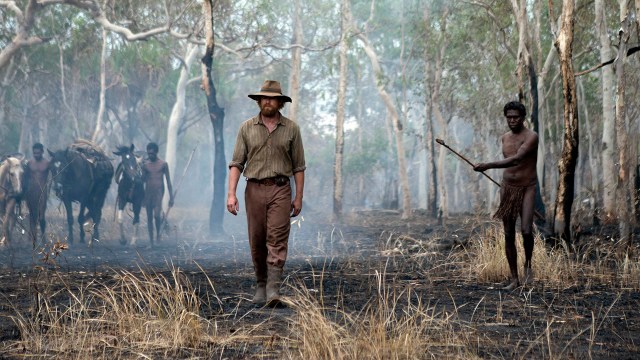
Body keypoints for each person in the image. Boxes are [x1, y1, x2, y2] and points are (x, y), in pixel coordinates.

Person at [227, 80, 306, 306]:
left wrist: (298, 197)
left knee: (277, 237)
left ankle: (273, 289)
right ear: (259, 101)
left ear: (280, 103)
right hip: (253, 188)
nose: (267, 101)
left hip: (281, 189)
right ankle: (261, 285)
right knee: (257, 238)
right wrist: (231, 194)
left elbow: (299, 166)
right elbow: (236, 163)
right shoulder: (246, 128)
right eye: (264, 98)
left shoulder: (291, 129)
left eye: (272, 98)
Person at [473, 101, 538, 290]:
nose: (512, 120)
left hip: (528, 187)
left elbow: (517, 159)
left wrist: (487, 165)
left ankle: (528, 265)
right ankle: (514, 278)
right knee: (508, 233)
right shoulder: (504, 138)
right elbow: (510, 162)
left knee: (526, 231)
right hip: (508, 187)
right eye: (509, 117)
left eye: (516, 117)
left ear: (523, 118)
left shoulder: (532, 136)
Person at [142, 142, 174, 246]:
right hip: (148, 194)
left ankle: (158, 238)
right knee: (149, 218)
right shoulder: (145, 165)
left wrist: (171, 197)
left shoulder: (163, 164)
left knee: (156, 215)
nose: (150, 155)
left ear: (156, 152)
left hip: (159, 193)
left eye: (152, 153)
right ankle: (151, 241)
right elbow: (142, 181)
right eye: (148, 153)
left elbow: (168, 182)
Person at [24, 143, 50, 246]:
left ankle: (43, 236)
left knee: (41, 216)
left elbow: (56, 176)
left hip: (42, 192)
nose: (36, 154)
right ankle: (32, 236)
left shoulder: (47, 163)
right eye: (34, 153)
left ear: (42, 152)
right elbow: (24, 178)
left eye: (38, 153)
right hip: (31, 192)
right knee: (32, 215)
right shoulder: (29, 163)